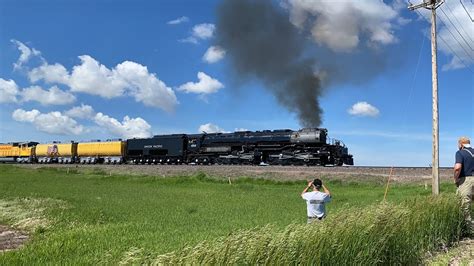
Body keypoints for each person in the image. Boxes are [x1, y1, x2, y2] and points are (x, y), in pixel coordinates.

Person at [454, 136, 474, 232]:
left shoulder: (460, 153)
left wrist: (456, 179)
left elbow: (457, 168)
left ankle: (471, 230)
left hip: (466, 180)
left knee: (464, 206)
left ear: (461, 144)